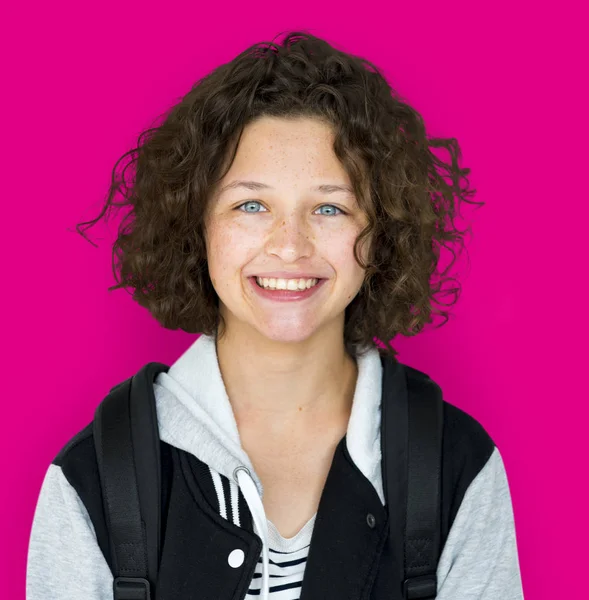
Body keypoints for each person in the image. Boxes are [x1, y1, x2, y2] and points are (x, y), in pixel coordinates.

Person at [26, 31, 525, 600]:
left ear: (381, 232)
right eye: (252, 205)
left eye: (330, 207)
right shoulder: (94, 476)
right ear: (199, 226)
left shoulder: (457, 466)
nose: (290, 245)